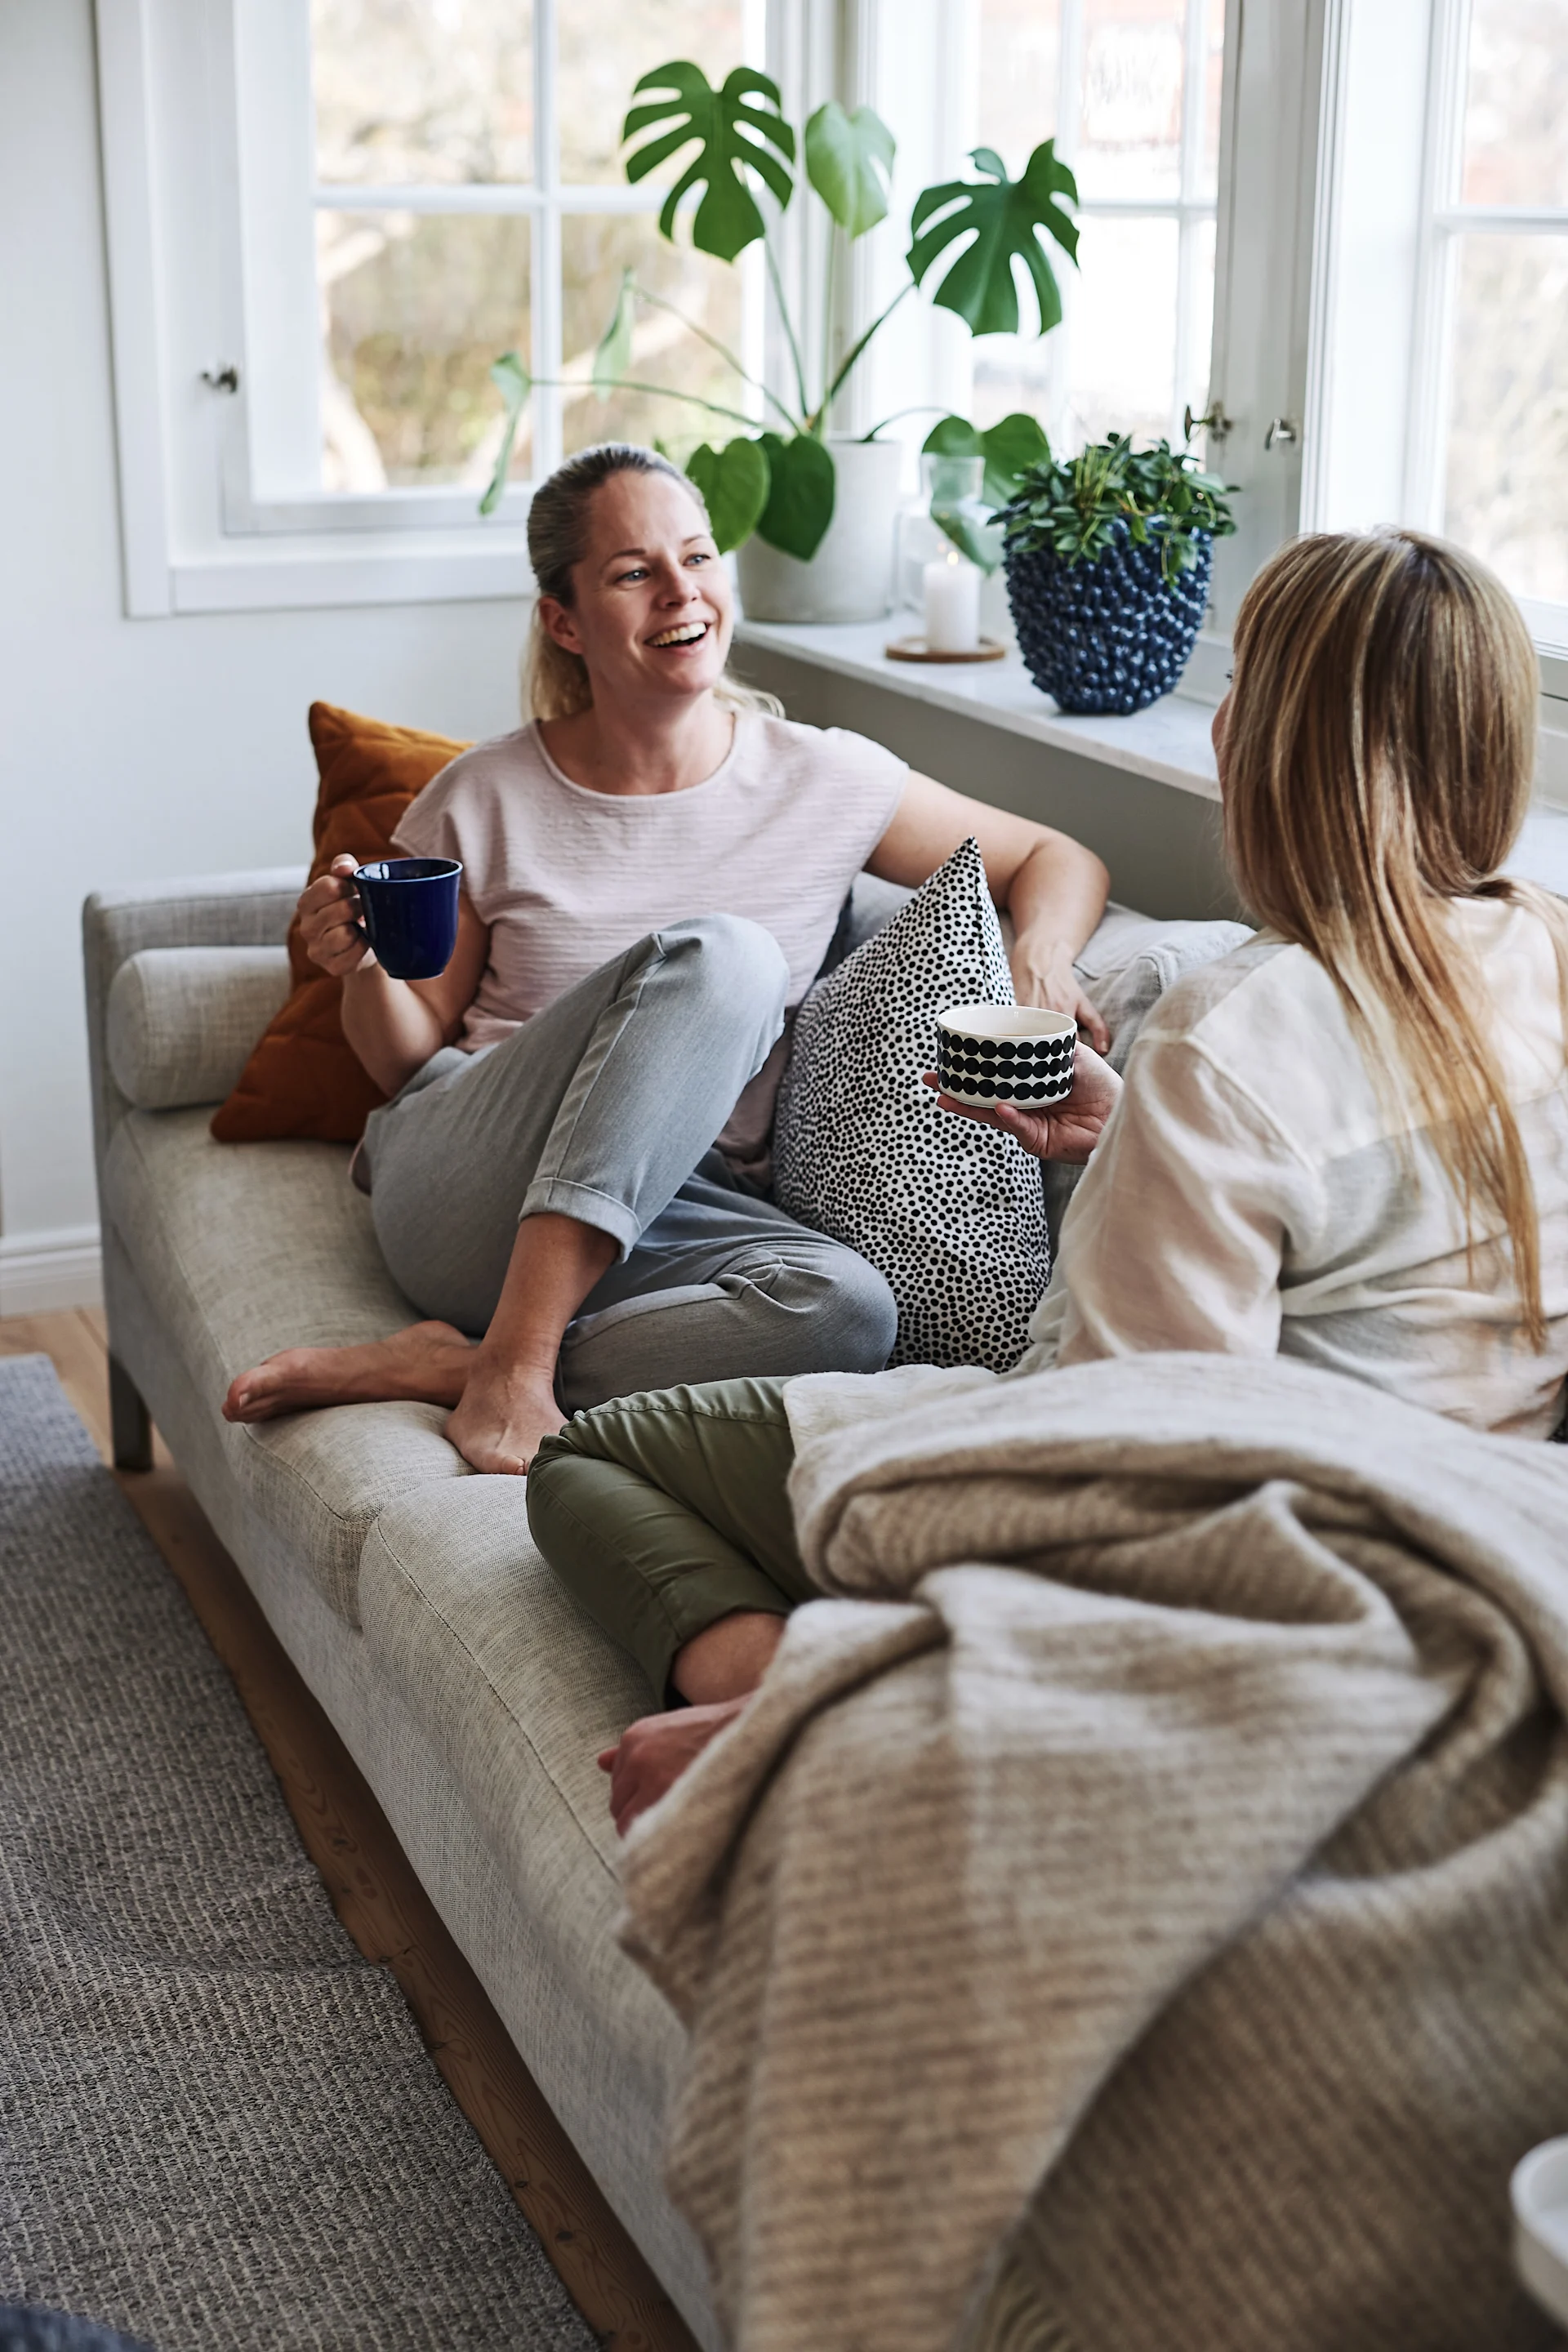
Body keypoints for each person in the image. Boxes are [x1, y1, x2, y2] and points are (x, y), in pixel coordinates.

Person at [525, 526, 1568, 1832]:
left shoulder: (1232, 1029)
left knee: (589, 1465)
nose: (1224, 712)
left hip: (1245, 1544)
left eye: (1241, 678)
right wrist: (1137, 1135)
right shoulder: (1546, 951)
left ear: (1276, 739)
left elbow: (1139, 1476)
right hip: (1464, 1507)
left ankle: (806, 1708)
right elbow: (1378, 1245)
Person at [221, 442, 1111, 1472]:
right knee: (728, 958)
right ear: (565, 620)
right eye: (634, 572)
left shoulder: (825, 777)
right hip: (471, 1187)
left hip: (680, 1205)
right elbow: (405, 1066)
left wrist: (1040, 959)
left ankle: (464, 1363)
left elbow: (1056, 855)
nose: (681, 592)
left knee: (850, 1312)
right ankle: (511, 1367)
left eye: (698, 557)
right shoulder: (483, 796)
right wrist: (363, 971)